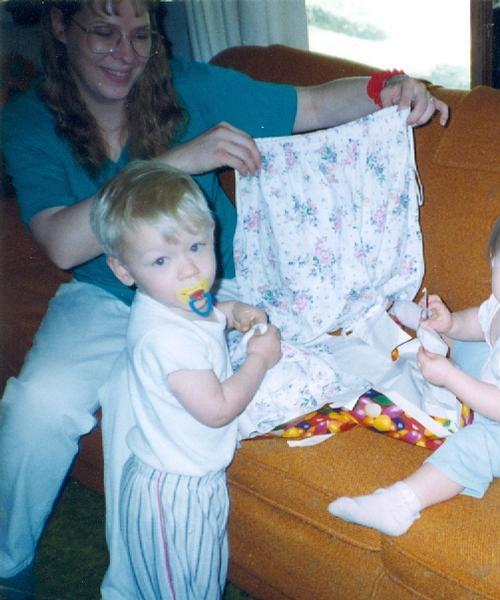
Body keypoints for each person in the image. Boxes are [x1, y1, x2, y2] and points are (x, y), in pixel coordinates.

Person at [0, 0, 449, 596]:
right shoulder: (30, 118)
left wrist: (385, 88)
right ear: (60, 26)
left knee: (144, 412)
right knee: (38, 407)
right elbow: (60, 242)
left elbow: (312, 105)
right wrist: (179, 162)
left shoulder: (187, 87)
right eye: (104, 32)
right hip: (105, 291)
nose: (126, 54)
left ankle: (137, 587)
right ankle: (9, 563)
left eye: (140, 35)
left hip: (210, 289)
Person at [328, 197, 500, 536]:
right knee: (466, 344)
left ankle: (398, 505)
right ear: (493, 258)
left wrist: (450, 377)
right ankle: (424, 324)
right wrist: (451, 324)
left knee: (475, 445)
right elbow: (481, 323)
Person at [90, 159, 280, 597]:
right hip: (174, 493)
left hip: (188, 478)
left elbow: (205, 315)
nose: (189, 270)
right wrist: (259, 359)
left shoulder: (174, 302)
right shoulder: (165, 337)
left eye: (196, 246)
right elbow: (217, 409)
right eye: (161, 259)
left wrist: (232, 312)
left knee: (200, 579)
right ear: (124, 271)